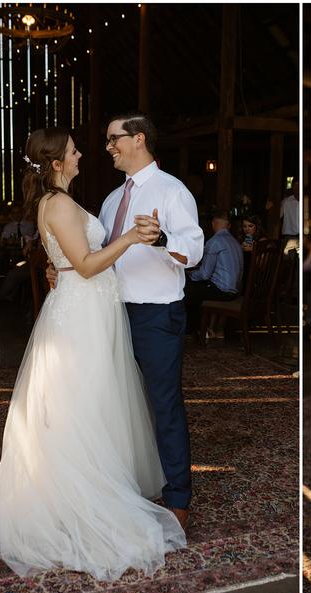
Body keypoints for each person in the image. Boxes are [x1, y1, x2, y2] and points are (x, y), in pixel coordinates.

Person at [0, 127, 186, 581]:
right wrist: (133, 239)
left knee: (90, 402)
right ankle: (80, 499)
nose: (81, 154)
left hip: (90, 310)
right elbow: (88, 265)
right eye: (73, 150)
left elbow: (72, 260)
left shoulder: (61, 202)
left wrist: (67, 266)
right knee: (82, 403)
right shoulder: (56, 203)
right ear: (57, 163)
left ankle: (99, 481)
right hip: (81, 315)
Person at [98, 112, 204, 527]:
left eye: (113, 139)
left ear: (138, 138)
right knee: (117, 404)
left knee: (164, 406)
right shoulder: (111, 200)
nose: (108, 147)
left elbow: (193, 251)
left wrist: (161, 239)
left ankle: (178, 499)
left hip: (156, 315)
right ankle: (126, 488)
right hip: (110, 314)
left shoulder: (171, 191)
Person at [184, 210, 243, 334]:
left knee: (186, 289)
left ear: (213, 223)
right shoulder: (236, 243)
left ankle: (193, 330)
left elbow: (205, 274)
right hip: (236, 291)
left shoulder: (214, 242)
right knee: (196, 288)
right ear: (228, 225)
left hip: (222, 291)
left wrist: (190, 274)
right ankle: (204, 329)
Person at [239, 213, 267, 286]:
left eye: (250, 226)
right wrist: (239, 250)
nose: (247, 229)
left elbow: (263, 266)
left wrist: (254, 251)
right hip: (243, 277)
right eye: (244, 226)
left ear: (257, 227)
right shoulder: (242, 240)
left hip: (257, 279)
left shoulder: (262, 241)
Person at [280, 178, 299, 243]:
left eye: (299, 185)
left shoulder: (306, 201)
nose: (297, 188)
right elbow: (278, 215)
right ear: (293, 187)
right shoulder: (286, 202)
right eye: (295, 185)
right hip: (289, 237)